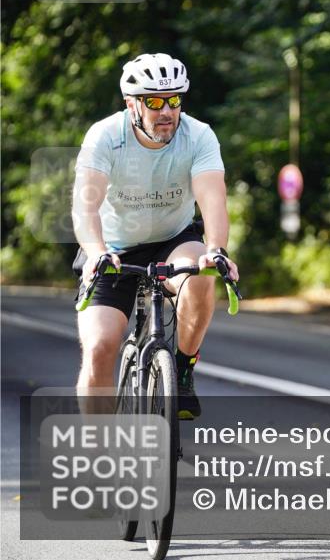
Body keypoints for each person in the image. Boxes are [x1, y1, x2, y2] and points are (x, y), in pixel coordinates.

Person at [72, 52, 239, 419]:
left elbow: (213, 199)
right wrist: (97, 251)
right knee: (100, 347)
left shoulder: (198, 136)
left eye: (174, 100)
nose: (166, 111)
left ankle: (181, 370)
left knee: (201, 273)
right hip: (113, 248)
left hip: (172, 238)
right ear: (132, 105)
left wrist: (217, 249)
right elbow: (85, 208)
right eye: (154, 102)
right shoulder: (105, 136)